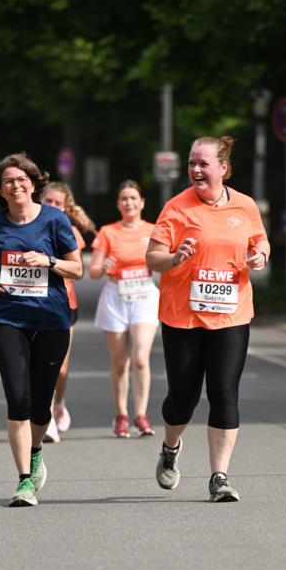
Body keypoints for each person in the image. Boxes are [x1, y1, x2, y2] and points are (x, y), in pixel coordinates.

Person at [146, 135, 270, 501]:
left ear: (223, 168)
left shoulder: (245, 206)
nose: (196, 170)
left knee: (224, 394)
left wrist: (260, 256)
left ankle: (220, 477)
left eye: (203, 164)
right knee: (183, 398)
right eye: (192, 163)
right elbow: (153, 257)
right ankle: (170, 447)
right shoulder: (176, 207)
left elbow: (260, 242)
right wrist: (174, 259)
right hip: (183, 315)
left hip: (231, 314)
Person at [0, 153, 82, 507]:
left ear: (33, 183)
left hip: (51, 320)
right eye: (7, 182)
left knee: (39, 404)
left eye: (21, 180)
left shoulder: (55, 220)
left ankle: (35, 453)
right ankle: (23, 481)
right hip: (7, 319)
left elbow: (77, 269)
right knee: (17, 398)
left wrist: (47, 260)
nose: (16, 186)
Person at [90, 180, 158, 437]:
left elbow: (165, 261)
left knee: (140, 358)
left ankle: (141, 415)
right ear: (118, 204)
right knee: (120, 363)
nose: (129, 203)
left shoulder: (153, 231)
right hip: (115, 296)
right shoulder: (108, 232)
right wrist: (103, 267)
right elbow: (94, 272)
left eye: (133, 198)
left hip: (145, 296)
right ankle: (121, 415)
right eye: (124, 199)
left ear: (142, 202)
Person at [40, 182, 95, 442]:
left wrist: (47, 260)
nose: (52, 206)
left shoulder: (71, 231)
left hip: (64, 305)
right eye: (48, 201)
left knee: (60, 368)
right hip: (34, 304)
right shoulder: (27, 226)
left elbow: (74, 268)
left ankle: (59, 403)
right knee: (38, 364)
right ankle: (46, 417)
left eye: (58, 203)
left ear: (66, 208)